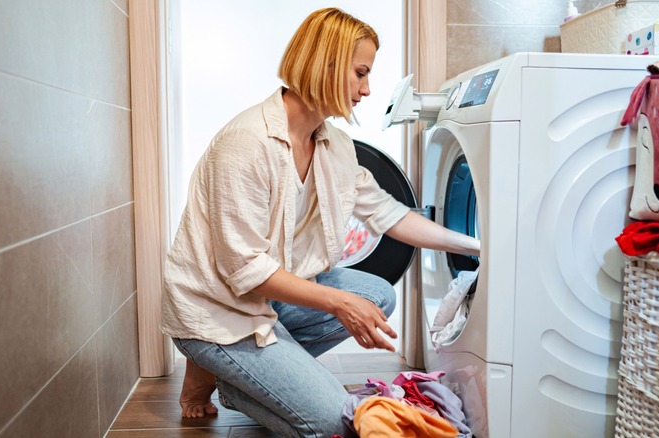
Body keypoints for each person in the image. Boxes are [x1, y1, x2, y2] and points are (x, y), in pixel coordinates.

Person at [161, 7, 480, 437]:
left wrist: (477, 246)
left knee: (377, 295)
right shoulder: (247, 144)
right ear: (325, 65)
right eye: (361, 73)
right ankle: (219, 364)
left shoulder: (333, 145)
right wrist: (337, 303)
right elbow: (245, 271)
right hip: (218, 309)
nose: (367, 90)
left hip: (266, 300)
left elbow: (391, 216)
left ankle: (236, 380)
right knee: (335, 421)